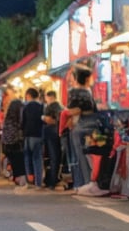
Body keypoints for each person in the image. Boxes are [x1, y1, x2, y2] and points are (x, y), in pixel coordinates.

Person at [67, 66, 107, 196]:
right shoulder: (86, 92)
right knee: (92, 156)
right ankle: (90, 183)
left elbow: (74, 111)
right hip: (92, 126)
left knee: (82, 156)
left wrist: (66, 115)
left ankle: (85, 184)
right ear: (86, 78)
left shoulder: (75, 92)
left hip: (80, 127)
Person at [0, 87, 26, 185]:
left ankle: (15, 176)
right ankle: (20, 178)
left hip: (7, 145)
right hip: (16, 144)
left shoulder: (8, 120)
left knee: (13, 161)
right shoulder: (18, 121)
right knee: (19, 160)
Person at [21, 87, 45, 188]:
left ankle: (29, 181)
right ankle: (38, 183)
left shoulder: (25, 107)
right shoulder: (42, 107)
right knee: (37, 159)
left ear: (28, 96)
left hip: (27, 136)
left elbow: (22, 122)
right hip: (38, 135)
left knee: (27, 158)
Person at [42, 90, 66, 189]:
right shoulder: (61, 107)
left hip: (51, 133)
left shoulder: (51, 107)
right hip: (58, 134)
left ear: (49, 97)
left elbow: (50, 120)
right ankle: (53, 179)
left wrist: (42, 117)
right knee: (55, 157)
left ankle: (51, 181)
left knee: (52, 157)